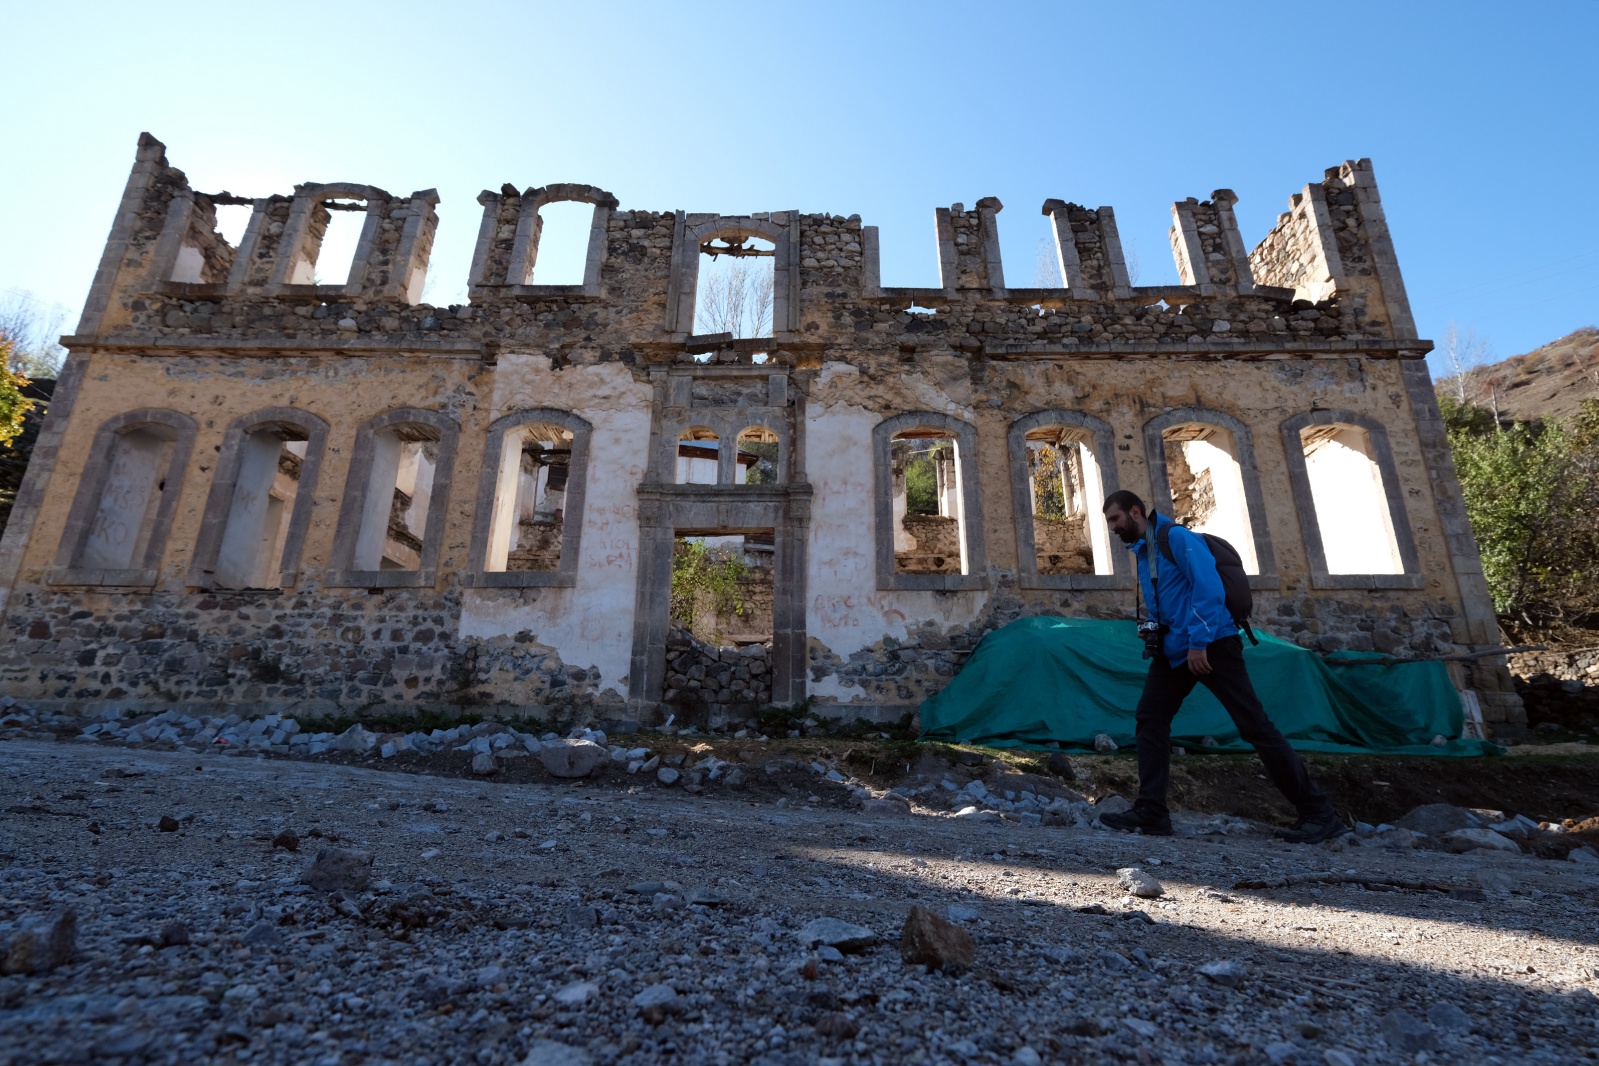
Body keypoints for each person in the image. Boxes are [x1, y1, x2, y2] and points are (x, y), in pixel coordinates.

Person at [1096, 489, 1347, 844]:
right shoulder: (1145, 551)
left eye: (1114, 519)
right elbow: (1172, 598)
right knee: (1150, 720)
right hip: (1174, 651)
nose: (1112, 528)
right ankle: (1152, 811)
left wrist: (1199, 642)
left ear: (1135, 512)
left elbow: (1209, 589)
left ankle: (1320, 814)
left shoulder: (1176, 538)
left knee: (1254, 726)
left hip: (1211, 646)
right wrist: (1153, 628)